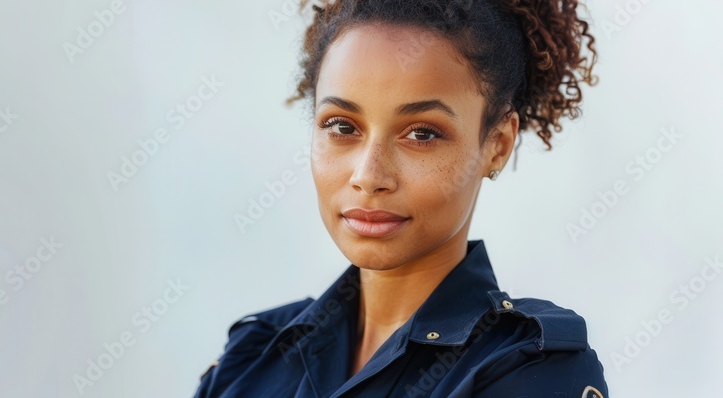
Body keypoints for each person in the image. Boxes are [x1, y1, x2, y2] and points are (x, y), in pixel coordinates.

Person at [194, 0, 607, 396]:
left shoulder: (532, 366)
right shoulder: (249, 361)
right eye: (341, 126)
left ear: (497, 144)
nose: (369, 176)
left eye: (422, 134)